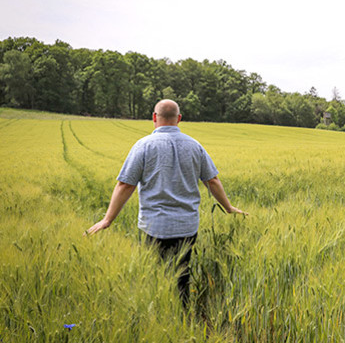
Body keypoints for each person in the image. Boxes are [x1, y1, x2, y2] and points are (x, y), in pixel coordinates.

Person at [86, 99, 246, 308]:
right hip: (187, 226)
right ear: (179, 119)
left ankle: (160, 315)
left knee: (155, 276)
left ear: (154, 117)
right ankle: (183, 316)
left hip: (154, 226)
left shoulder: (143, 146)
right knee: (181, 276)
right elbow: (212, 180)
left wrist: (107, 219)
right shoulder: (194, 145)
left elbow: (125, 185)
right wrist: (228, 207)